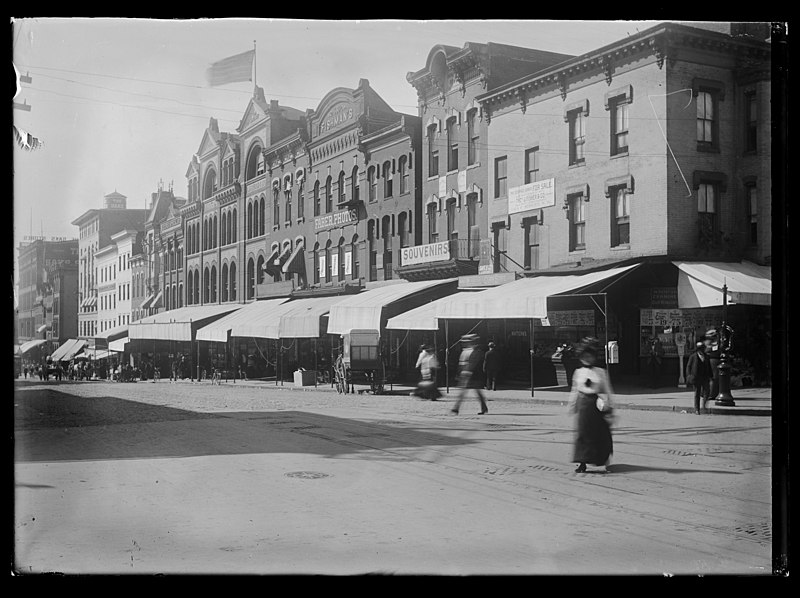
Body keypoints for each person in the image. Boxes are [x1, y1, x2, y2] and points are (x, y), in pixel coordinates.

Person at [568, 337, 615, 474]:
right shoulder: (578, 372)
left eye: (590, 356)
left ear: (594, 357)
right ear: (581, 358)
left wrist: (611, 406)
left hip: (596, 406)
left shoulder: (600, 372)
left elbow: (608, 389)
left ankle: (601, 458)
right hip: (583, 406)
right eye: (585, 356)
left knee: (599, 434)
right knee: (583, 434)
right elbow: (574, 390)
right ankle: (582, 463)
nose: (588, 359)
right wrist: (572, 406)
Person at [451, 334, 488, 416]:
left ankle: (456, 408)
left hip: (471, 375)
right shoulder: (465, 351)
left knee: (473, 392)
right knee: (468, 392)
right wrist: (459, 373)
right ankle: (456, 408)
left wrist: (468, 372)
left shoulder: (476, 351)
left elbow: (474, 364)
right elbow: (461, 364)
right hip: (465, 374)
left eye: (466, 342)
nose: (464, 344)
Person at [686, 341, 713, 414]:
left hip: (705, 376)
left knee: (707, 391)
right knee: (697, 393)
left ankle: (704, 404)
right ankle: (697, 409)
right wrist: (689, 375)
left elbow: (709, 366)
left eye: (702, 349)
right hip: (696, 377)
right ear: (697, 350)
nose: (701, 351)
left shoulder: (706, 356)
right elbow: (688, 366)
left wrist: (711, 376)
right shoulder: (693, 356)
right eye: (700, 349)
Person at [704, 329, 721, 401]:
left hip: (709, 360)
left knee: (710, 377)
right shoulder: (713, 343)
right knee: (713, 378)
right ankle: (712, 394)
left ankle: (708, 393)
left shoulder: (707, 342)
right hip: (713, 360)